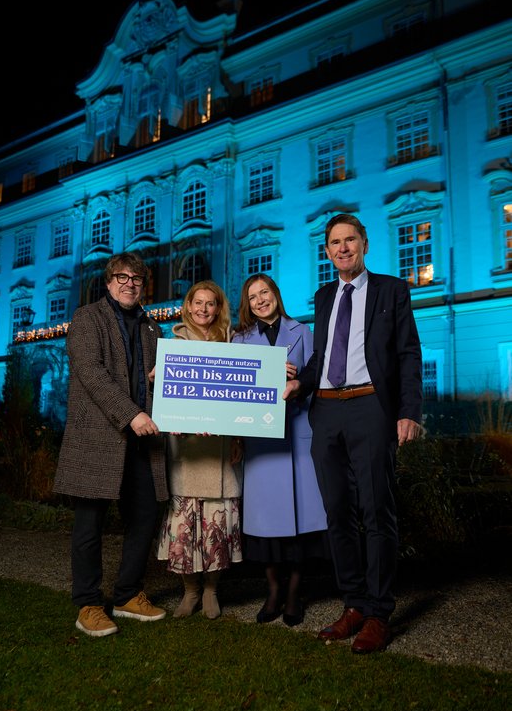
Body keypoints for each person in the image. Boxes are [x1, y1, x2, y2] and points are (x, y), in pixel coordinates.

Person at [284, 214, 423, 653]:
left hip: (370, 407)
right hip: (326, 411)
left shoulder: (391, 290)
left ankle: (379, 613)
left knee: (377, 510)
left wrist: (409, 412)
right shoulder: (325, 296)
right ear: (327, 251)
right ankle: (354, 604)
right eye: (335, 242)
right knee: (337, 513)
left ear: (364, 244)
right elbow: (322, 357)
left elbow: (408, 354)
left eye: (350, 240)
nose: (342, 248)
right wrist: (300, 384)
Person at [54, 252, 168, 637]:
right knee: (90, 524)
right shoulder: (87, 318)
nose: (129, 284)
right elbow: (91, 373)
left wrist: (160, 384)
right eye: (122, 277)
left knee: (145, 516)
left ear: (143, 285)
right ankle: (88, 603)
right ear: (108, 282)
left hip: (142, 441)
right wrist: (132, 414)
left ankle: (127, 595)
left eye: (137, 278)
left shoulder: (152, 328)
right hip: (98, 437)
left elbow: (155, 382)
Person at [232, 274, 328, 627]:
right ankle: (273, 591)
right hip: (261, 442)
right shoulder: (239, 340)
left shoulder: (303, 331)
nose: (260, 300)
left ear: (276, 294)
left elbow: (316, 377)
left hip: (299, 435)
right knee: (266, 522)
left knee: (301, 522)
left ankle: (294, 595)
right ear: (247, 304)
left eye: (265, 292)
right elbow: (235, 389)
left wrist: (295, 379)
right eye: (253, 296)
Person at [157, 281, 242, 619]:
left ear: (218, 308)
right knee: (185, 525)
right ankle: (190, 590)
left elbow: (242, 399)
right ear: (188, 306)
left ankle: (211, 590)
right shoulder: (172, 344)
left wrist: (238, 438)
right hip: (187, 447)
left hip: (220, 446)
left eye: (211, 303)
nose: (204, 309)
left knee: (215, 524)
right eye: (198, 302)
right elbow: (163, 396)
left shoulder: (232, 344)